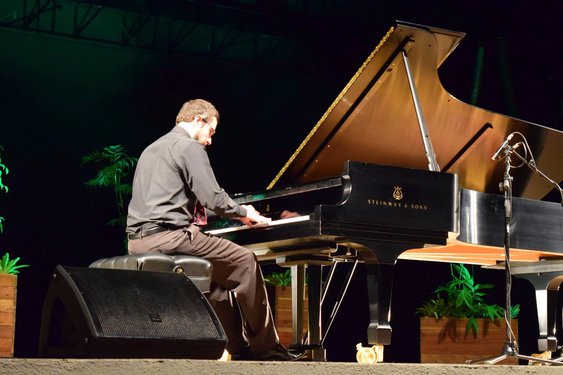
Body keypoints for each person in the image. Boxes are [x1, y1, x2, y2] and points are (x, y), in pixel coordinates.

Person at [126, 99, 301, 361]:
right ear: (199, 120)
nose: (210, 140)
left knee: (218, 282)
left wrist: (239, 217)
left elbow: (175, 202)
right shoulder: (189, 147)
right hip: (170, 238)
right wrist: (245, 212)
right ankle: (269, 350)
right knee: (245, 262)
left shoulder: (153, 148)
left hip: (138, 241)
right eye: (211, 131)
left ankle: (240, 350)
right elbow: (213, 198)